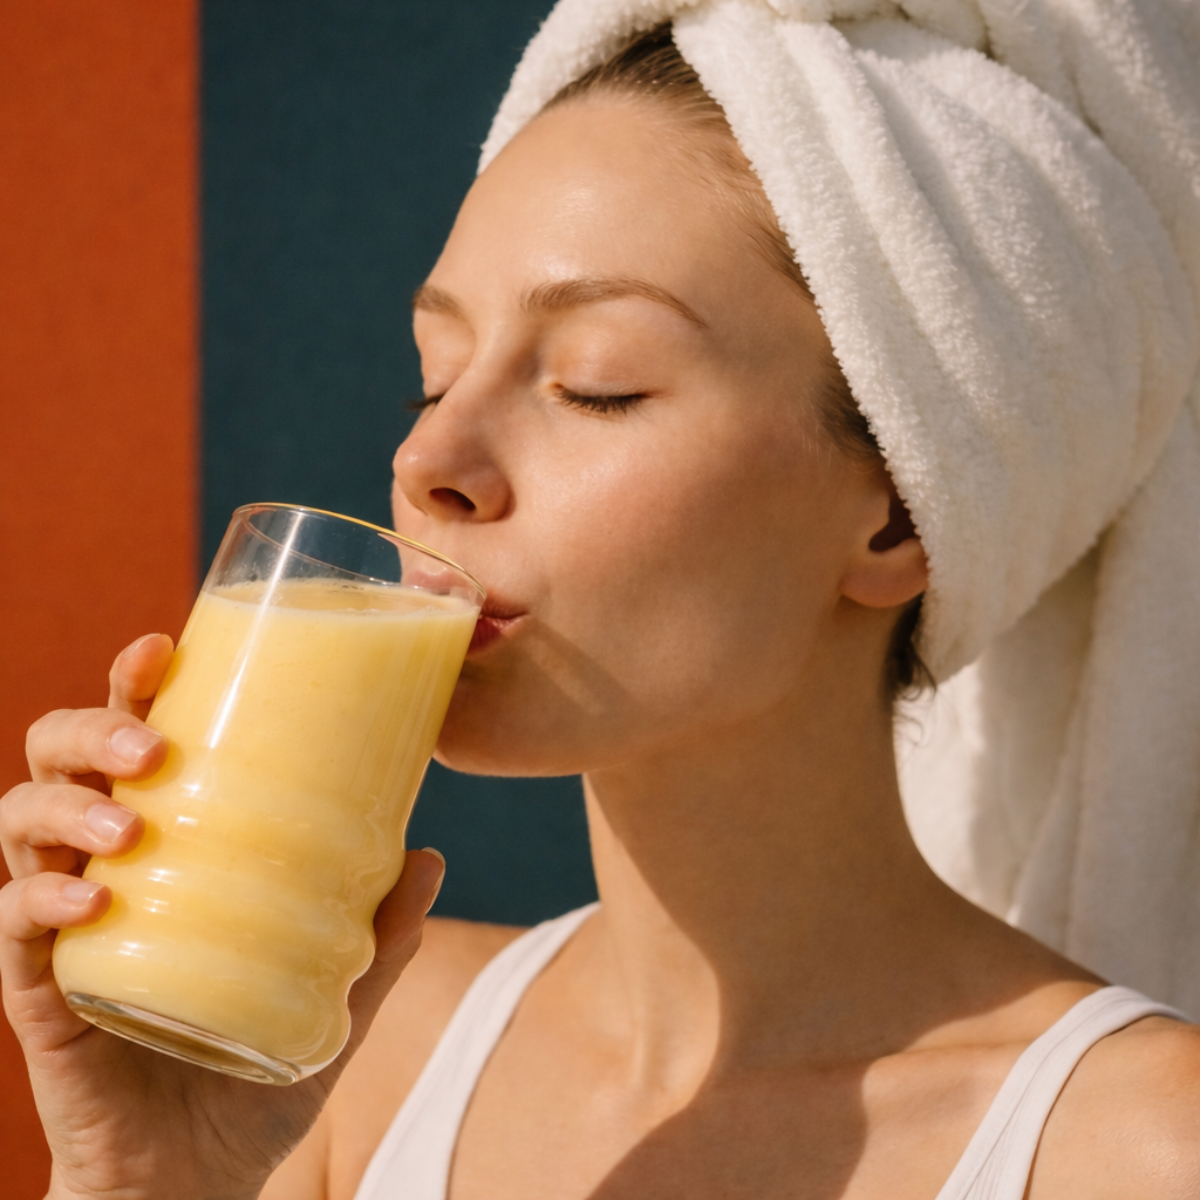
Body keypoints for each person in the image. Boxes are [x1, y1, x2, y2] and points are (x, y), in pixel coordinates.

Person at [4, 3, 1200, 1198]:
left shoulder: (1137, 1151)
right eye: (435, 377)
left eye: (596, 385)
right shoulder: (342, 1062)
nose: (427, 460)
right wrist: (140, 1177)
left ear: (897, 515)